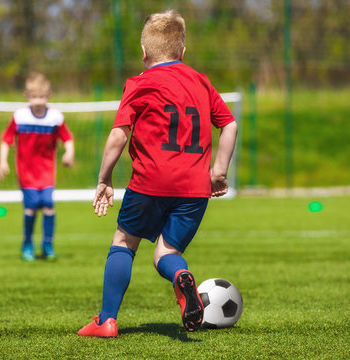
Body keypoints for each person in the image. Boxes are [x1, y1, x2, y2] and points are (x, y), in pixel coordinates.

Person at [78, 10, 238, 338]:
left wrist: (104, 178)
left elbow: (119, 135)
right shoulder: (200, 80)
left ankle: (106, 320)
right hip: (195, 187)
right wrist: (218, 172)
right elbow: (229, 124)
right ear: (182, 51)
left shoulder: (140, 82)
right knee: (167, 253)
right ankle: (181, 276)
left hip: (151, 181)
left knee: (124, 241)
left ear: (143, 52)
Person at [0, 72, 74, 261]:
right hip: (27, 172)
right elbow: (6, 139)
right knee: (31, 208)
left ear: (49, 96)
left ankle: (48, 245)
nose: (38, 101)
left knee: (48, 205)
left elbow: (67, 138)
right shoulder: (20, 116)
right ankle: (28, 244)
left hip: (47, 172)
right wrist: (3, 161)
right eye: (34, 97)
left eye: (41, 97)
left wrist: (69, 153)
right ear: (27, 96)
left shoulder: (55, 117)